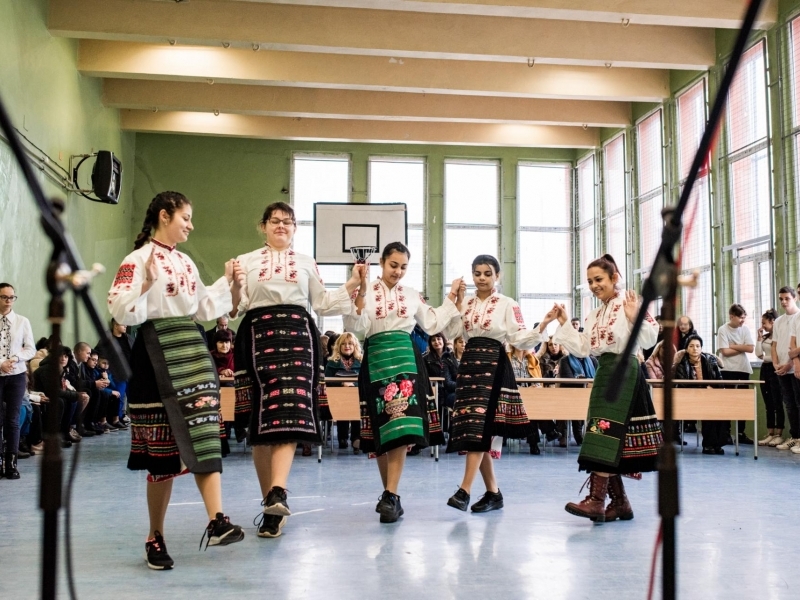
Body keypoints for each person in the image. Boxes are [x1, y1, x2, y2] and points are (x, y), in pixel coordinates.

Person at [108, 191, 244, 570]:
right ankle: (155, 535)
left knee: (203, 433)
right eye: (186, 217)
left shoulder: (184, 261)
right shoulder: (136, 261)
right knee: (162, 456)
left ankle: (217, 520)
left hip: (192, 349)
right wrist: (148, 283)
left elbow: (203, 306)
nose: (191, 224)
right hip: (154, 353)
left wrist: (230, 284)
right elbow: (121, 310)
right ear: (165, 216)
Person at [231, 201, 365, 538]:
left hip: (298, 337)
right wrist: (232, 286)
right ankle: (270, 505)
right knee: (261, 425)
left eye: (288, 222)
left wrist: (351, 283)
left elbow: (321, 303)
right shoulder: (244, 262)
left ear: (294, 228)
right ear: (263, 226)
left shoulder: (306, 262)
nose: (281, 226)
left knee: (289, 413)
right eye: (274, 221)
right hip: (258, 336)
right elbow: (236, 307)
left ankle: (279, 491)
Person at [345, 241, 462, 524]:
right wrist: (358, 293)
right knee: (381, 430)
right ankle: (389, 495)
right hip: (375, 360)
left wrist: (451, 297)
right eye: (393, 265)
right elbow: (355, 328)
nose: (397, 272)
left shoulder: (411, 295)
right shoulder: (366, 290)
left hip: (406, 360)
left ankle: (391, 494)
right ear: (383, 263)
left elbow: (432, 322)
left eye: (403, 267)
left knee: (401, 425)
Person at [545, 254, 662, 523]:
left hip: (624, 371)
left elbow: (650, 338)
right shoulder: (595, 313)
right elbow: (585, 348)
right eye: (589, 281)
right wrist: (564, 323)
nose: (594, 285)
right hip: (604, 371)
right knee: (602, 432)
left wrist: (634, 318)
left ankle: (597, 501)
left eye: (599, 279)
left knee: (604, 433)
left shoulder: (631, 303)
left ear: (614, 278)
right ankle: (620, 502)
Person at [444, 254, 548, 514]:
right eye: (477, 273)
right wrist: (455, 302)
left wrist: (543, 326)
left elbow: (518, 337)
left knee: (480, 429)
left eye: (487, 273)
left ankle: (464, 490)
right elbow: (450, 333)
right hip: (468, 365)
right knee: (475, 430)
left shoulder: (506, 303)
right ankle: (493, 493)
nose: (481, 278)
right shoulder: (465, 302)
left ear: (497, 276)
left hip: (493, 364)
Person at [0, 283, 36, 479]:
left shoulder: (22, 321)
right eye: (4, 297)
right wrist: (0, 363)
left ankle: (11, 463)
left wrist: (13, 359)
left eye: (11, 297)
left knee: (12, 420)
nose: (8, 301)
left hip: (16, 374)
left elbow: (30, 348)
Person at [673, 335, 726, 454]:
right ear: (686, 349)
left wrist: (714, 389)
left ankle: (717, 444)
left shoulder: (710, 360)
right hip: (689, 398)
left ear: (701, 348)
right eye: (691, 346)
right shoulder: (681, 363)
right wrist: (702, 389)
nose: (695, 349)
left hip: (710, 396)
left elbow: (719, 380)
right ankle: (708, 445)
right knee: (708, 411)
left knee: (720, 410)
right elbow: (683, 384)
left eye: (698, 346)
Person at [716, 303, 755, 445]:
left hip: (743, 369)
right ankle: (726, 432)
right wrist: (742, 348)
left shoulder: (745, 329)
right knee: (728, 402)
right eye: (740, 318)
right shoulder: (723, 329)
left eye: (744, 318)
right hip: (727, 370)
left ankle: (740, 432)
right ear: (731, 316)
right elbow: (724, 352)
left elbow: (750, 348)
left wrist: (732, 346)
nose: (742, 321)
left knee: (742, 402)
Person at [324, 332, 363, 453]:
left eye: (350, 343)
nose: (347, 346)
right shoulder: (332, 362)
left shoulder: (361, 361)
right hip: (338, 398)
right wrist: (342, 384)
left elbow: (366, 380)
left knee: (355, 401)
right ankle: (343, 438)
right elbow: (327, 381)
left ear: (355, 345)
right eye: (344, 344)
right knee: (345, 400)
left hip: (357, 397)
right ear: (339, 346)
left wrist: (353, 385)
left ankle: (355, 438)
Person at [772, 287, 798, 449]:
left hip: (794, 368)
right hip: (780, 369)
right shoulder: (779, 321)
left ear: (794, 298)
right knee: (788, 403)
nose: (783, 302)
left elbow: (794, 346)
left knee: (798, 402)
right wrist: (776, 364)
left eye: (787, 298)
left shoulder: (798, 318)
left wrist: (789, 364)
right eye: (781, 299)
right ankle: (794, 435)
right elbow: (774, 345)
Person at [506, 343, 544, 455]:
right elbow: (506, 381)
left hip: (531, 396)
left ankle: (535, 443)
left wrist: (534, 387)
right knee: (529, 409)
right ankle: (547, 431)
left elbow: (538, 381)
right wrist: (524, 389)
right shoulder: (507, 358)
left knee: (531, 407)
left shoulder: (531, 359)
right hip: (513, 394)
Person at [95, 318, 134, 424]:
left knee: (132, 396)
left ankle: (127, 417)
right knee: (119, 395)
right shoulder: (106, 339)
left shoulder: (129, 339)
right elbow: (99, 353)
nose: (125, 325)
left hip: (130, 371)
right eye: (123, 323)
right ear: (115, 325)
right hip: (115, 372)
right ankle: (116, 418)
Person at [423, 331, 459, 438]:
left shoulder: (452, 357)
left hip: (450, 389)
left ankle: (455, 432)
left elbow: (455, 375)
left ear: (443, 340)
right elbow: (425, 377)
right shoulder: (426, 359)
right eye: (433, 340)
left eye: (439, 339)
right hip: (435, 390)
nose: (436, 342)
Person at [756, 309, 784, 446]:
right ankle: (770, 433)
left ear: (773, 322)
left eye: (764, 323)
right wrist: (759, 337)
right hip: (765, 369)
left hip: (775, 369)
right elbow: (758, 354)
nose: (762, 326)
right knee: (769, 404)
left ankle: (779, 434)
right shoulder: (766, 337)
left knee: (777, 402)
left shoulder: (778, 337)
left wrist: (768, 358)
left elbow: (777, 356)